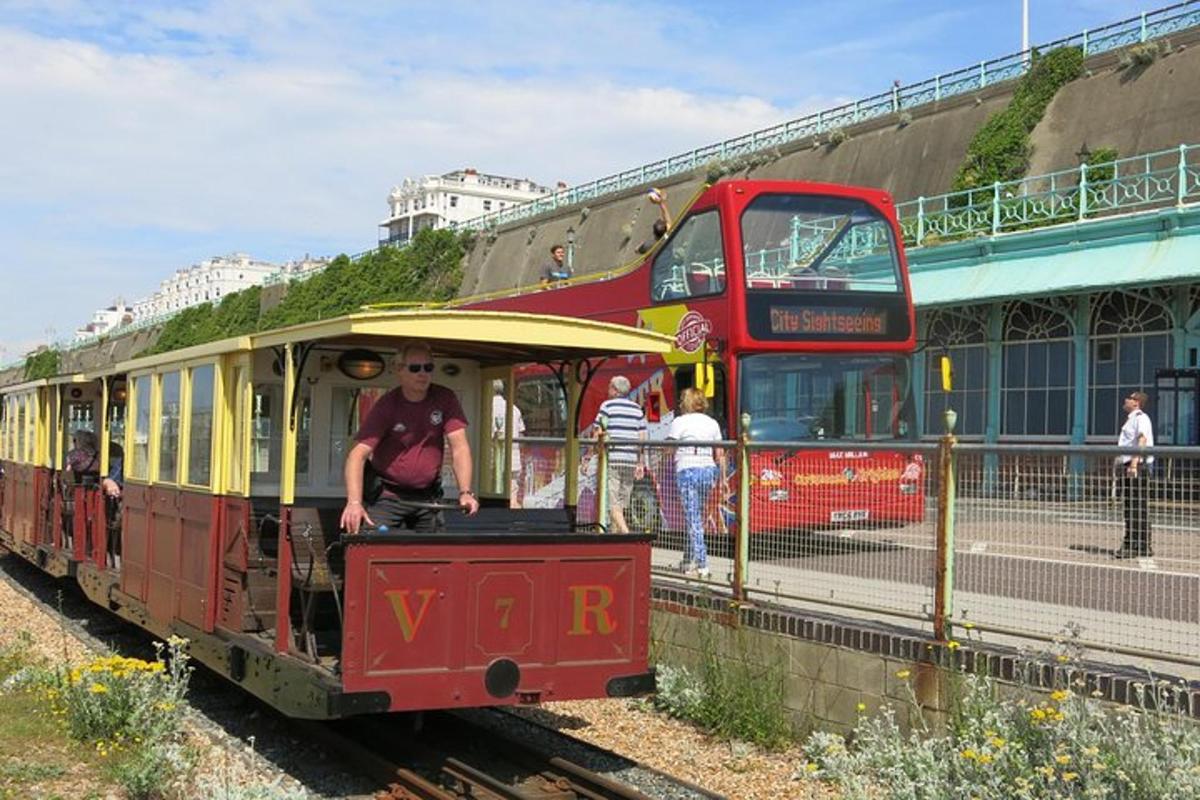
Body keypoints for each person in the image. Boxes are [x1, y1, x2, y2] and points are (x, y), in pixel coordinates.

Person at [340, 340, 480, 534]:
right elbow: (357, 455)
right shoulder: (387, 405)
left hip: (427, 496)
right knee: (368, 543)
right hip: (388, 496)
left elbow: (460, 448)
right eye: (415, 368)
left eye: (428, 367)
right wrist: (354, 503)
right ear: (399, 370)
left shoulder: (445, 398)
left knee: (435, 555)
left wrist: (465, 492)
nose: (423, 373)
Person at [666, 388, 726, 578]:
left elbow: (669, 448)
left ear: (687, 402)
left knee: (693, 520)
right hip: (708, 471)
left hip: (687, 470)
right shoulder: (712, 423)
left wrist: (662, 451)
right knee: (696, 516)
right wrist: (723, 479)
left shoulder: (679, 422)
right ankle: (687, 559)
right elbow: (720, 453)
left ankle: (702, 564)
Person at [594, 375, 646, 533]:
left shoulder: (607, 406)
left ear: (615, 390)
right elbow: (642, 437)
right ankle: (614, 535)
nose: (607, 389)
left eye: (609, 386)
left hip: (613, 459)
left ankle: (626, 534)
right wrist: (640, 462)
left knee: (613, 501)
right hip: (630, 461)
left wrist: (589, 455)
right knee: (622, 501)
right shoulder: (637, 409)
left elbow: (598, 431)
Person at [1114, 390, 1154, 559]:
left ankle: (1134, 543)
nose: (1126, 400)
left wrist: (1133, 464)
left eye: (1129, 398)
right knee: (1132, 506)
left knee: (1135, 507)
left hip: (1137, 467)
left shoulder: (1141, 418)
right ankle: (1141, 544)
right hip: (1130, 465)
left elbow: (1142, 440)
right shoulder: (1132, 419)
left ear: (1136, 402)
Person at [491, 379, 526, 507]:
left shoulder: (486, 406)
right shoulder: (514, 409)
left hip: (492, 462)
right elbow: (521, 434)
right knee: (512, 498)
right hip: (513, 459)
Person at [636, 187, 672, 255]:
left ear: (654, 233)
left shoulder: (648, 244)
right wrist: (661, 203)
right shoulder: (669, 237)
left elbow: (636, 250)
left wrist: (642, 244)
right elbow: (666, 217)